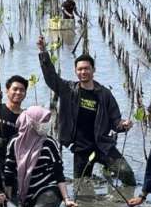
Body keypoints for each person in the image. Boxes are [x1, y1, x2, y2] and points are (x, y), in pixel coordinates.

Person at [37, 35, 136, 185]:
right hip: (81, 149)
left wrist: (123, 125)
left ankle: (126, 197)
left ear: (93, 70)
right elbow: (51, 78)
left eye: (87, 69)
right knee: (81, 187)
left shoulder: (104, 94)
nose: (83, 72)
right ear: (76, 71)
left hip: (103, 145)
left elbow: (115, 120)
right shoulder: (68, 90)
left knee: (127, 174)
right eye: (80, 69)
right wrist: (44, 52)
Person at [4, 106, 77, 207]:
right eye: (43, 121)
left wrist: (66, 199)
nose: (45, 125)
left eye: (47, 121)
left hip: (48, 188)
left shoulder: (49, 143)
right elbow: (9, 173)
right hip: (26, 192)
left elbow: (59, 174)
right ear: (31, 122)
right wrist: (8, 200)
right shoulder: (14, 143)